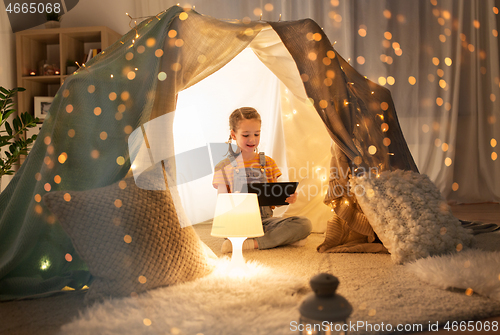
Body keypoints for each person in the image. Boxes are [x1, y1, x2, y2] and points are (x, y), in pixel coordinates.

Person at [212, 107, 312, 253]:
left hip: (264, 222)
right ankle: (281, 239)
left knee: (304, 224)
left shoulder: (269, 163)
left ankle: (250, 244)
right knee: (229, 230)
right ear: (233, 135)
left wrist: (286, 198)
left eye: (256, 134)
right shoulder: (223, 166)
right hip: (238, 222)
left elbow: (274, 200)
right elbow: (222, 203)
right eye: (246, 135)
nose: (252, 139)